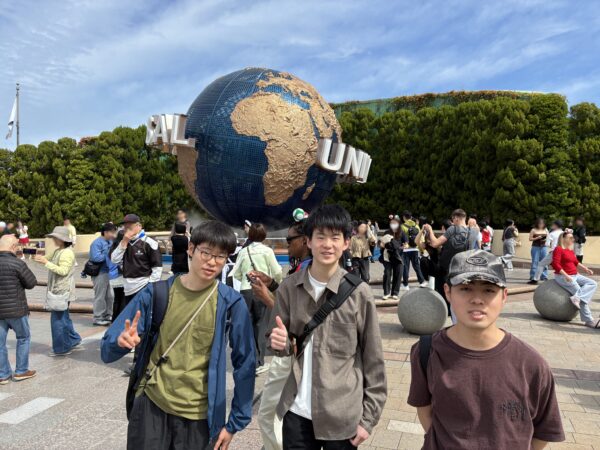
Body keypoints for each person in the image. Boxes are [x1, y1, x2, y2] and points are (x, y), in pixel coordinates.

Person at [101, 220, 256, 449]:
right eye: (206, 252)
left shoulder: (231, 303)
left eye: (220, 256)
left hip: (199, 417)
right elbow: (108, 348)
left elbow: (245, 362)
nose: (212, 262)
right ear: (191, 249)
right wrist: (120, 342)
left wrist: (235, 423)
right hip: (152, 407)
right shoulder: (157, 294)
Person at [408, 249, 565, 448]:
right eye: (465, 288)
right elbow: (424, 407)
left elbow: (544, 431)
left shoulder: (531, 364)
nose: (477, 299)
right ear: (447, 292)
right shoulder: (426, 351)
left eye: (489, 290)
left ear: (504, 296)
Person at [269, 204, 387, 449]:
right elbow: (281, 344)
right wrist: (279, 343)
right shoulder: (289, 288)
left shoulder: (359, 293)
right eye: (320, 236)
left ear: (346, 243)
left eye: (335, 237)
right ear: (308, 241)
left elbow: (373, 358)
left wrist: (368, 420)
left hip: (342, 415)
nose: (327, 244)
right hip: (297, 413)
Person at [253, 219, 312, 450]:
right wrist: (272, 284)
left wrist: (266, 296)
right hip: (293, 351)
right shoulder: (304, 267)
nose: (286, 244)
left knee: (268, 414)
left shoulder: (307, 269)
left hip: (291, 350)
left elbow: (294, 317)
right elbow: (289, 301)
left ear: (305, 241)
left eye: (290, 239)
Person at [231, 223, 283, 375]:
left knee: (248, 325)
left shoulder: (243, 251)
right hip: (261, 290)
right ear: (264, 235)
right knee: (261, 326)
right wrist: (274, 283)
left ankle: (250, 358)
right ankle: (260, 361)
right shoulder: (267, 251)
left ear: (250, 235)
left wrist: (245, 279)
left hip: (245, 291)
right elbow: (277, 271)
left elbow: (236, 273)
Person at [34, 226, 82, 356]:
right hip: (60, 289)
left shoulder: (67, 253)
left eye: (55, 237)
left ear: (62, 239)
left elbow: (63, 271)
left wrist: (45, 262)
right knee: (63, 318)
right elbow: (46, 258)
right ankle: (73, 339)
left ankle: (62, 348)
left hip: (62, 290)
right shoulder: (58, 251)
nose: (53, 239)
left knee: (57, 320)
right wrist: (40, 258)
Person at [422, 209, 478, 309]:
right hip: (462, 269)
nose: (452, 221)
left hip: (446, 269)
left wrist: (430, 230)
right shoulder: (473, 232)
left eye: (453, 219)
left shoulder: (452, 229)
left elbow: (435, 243)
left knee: (424, 261)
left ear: (456, 218)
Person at [0, 235, 37, 383]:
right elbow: (31, 283)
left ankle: (3, 374)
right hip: (17, 310)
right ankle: (21, 371)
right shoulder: (17, 263)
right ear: (13, 247)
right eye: (17, 246)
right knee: (23, 338)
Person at [110, 214, 163, 304]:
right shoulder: (124, 242)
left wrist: (150, 286)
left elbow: (157, 267)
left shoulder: (149, 243)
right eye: (125, 226)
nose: (127, 229)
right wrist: (124, 242)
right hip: (127, 288)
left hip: (143, 286)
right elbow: (114, 260)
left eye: (130, 226)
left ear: (139, 226)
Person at [552, 230, 599, 329]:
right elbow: (555, 264)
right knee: (581, 297)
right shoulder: (558, 249)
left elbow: (576, 262)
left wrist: (586, 269)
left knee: (593, 283)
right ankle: (589, 320)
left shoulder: (570, 250)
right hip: (563, 276)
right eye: (570, 238)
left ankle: (577, 297)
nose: (573, 239)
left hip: (575, 275)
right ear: (563, 239)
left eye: (572, 238)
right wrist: (566, 276)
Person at [89, 222, 118, 326]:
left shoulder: (111, 241)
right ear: (105, 232)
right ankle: (98, 317)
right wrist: (109, 255)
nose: (114, 235)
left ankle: (108, 315)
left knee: (110, 296)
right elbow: (95, 258)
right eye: (112, 232)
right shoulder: (96, 243)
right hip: (100, 273)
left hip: (109, 272)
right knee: (100, 296)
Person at [379, 217, 406, 300]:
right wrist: (382, 245)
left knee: (398, 274)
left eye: (395, 223)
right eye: (391, 223)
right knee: (387, 273)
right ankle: (386, 292)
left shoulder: (402, 232)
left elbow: (406, 243)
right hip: (388, 256)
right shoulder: (387, 232)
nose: (393, 224)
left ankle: (395, 293)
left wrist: (403, 246)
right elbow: (381, 243)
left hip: (399, 256)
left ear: (398, 224)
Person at [401, 211, 427, 290]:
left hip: (406, 249)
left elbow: (400, 238)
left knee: (406, 267)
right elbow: (421, 237)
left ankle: (406, 285)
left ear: (404, 217)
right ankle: (422, 282)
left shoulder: (402, 226)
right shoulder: (417, 226)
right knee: (416, 266)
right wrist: (421, 250)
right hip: (415, 248)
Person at [108, 230, 126, 320]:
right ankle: (120, 319)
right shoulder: (122, 248)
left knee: (117, 299)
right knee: (123, 298)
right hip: (120, 276)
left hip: (113, 276)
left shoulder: (112, 247)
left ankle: (114, 319)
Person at [528, 218, 549, 284]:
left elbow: (549, 237)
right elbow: (530, 239)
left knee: (544, 261)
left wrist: (545, 240)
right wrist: (537, 238)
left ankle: (544, 276)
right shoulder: (533, 230)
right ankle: (533, 276)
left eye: (542, 223)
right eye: (540, 223)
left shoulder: (546, 229)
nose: (541, 225)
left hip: (544, 247)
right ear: (537, 224)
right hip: (535, 247)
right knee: (535, 261)